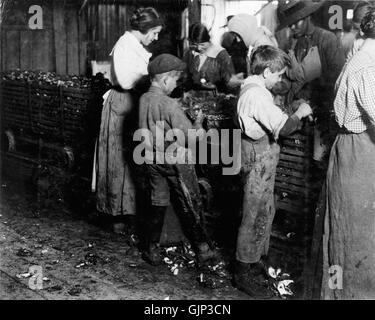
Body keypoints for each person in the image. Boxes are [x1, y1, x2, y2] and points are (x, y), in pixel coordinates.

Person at [234, 45, 313, 298]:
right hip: (259, 158)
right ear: (267, 71)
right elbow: (285, 128)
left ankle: (253, 259)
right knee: (254, 214)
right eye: (279, 75)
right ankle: (243, 272)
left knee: (263, 210)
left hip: (256, 156)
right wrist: (300, 113)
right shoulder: (258, 96)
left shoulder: (250, 86)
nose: (280, 80)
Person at [138, 53, 218, 266]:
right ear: (165, 79)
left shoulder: (144, 99)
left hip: (151, 158)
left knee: (158, 200)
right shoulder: (170, 105)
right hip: (175, 160)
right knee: (190, 200)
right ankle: (203, 249)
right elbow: (190, 137)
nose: (175, 85)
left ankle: (151, 248)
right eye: (174, 80)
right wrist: (199, 123)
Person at [321, 7, 375, 300]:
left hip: (360, 151)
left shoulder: (365, 56)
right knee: (356, 240)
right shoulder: (368, 67)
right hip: (360, 155)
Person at [94, 7, 163, 234]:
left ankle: (128, 211)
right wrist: (151, 78)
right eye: (154, 33)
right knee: (117, 160)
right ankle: (116, 215)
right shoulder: (125, 45)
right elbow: (125, 81)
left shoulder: (135, 45)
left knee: (130, 161)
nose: (156, 37)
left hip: (132, 103)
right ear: (145, 30)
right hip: (122, 103)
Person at [277, 0, 345, 164]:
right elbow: (288, 76)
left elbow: (337, 79)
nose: (292, 28)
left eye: (296, 23)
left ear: (307, 17)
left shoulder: (327, 40)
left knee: (317, 161)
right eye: (290, 24)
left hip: (321, 113)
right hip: (297, 110)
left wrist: (311, 101)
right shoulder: (293, 42)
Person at [183, 23, 243, 94]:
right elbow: (184, 76)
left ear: (208, 40)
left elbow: (230, 82)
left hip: (215, 99)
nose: (199, 48)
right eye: (195, 45)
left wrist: (216, 85)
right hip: (193, 99)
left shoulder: (220, 54)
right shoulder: (189, 53)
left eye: (202, 44)